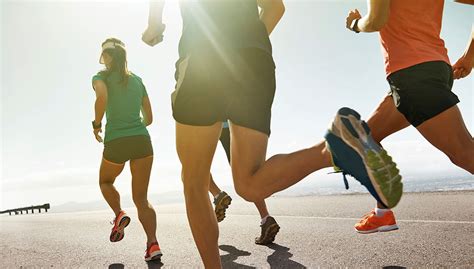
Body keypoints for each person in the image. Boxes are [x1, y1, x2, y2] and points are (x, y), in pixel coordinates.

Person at [143, 0, 402, 267]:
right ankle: (334, 148)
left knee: (194, 181)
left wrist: (153, 25)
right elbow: (276, 8)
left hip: (202, 60)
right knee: (249, 184)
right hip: (254, 61)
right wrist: (245, 45)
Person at [344, 0, 474, 234]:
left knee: (465, 153)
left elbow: (375, 21)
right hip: (430, 69)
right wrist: (468, 57)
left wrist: (355, 23)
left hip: (413, 73)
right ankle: (383, 214)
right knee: (365, 139)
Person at [92, 38, 162, 261]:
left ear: (107, 57)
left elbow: (102, 98)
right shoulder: (137, 80)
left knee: (105, 181)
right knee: (142, 198)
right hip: (142, 140)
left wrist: (96, 125)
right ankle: (153, 245)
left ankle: (119, 213)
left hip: (116, 141)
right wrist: (135, 124)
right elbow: (149, 118)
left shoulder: (100, 77)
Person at [209, 121, 280, 245]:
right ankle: (265, 217)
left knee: (194, 167)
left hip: (205, 121)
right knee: (245, 172)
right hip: (229, 122)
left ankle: (217, 195)